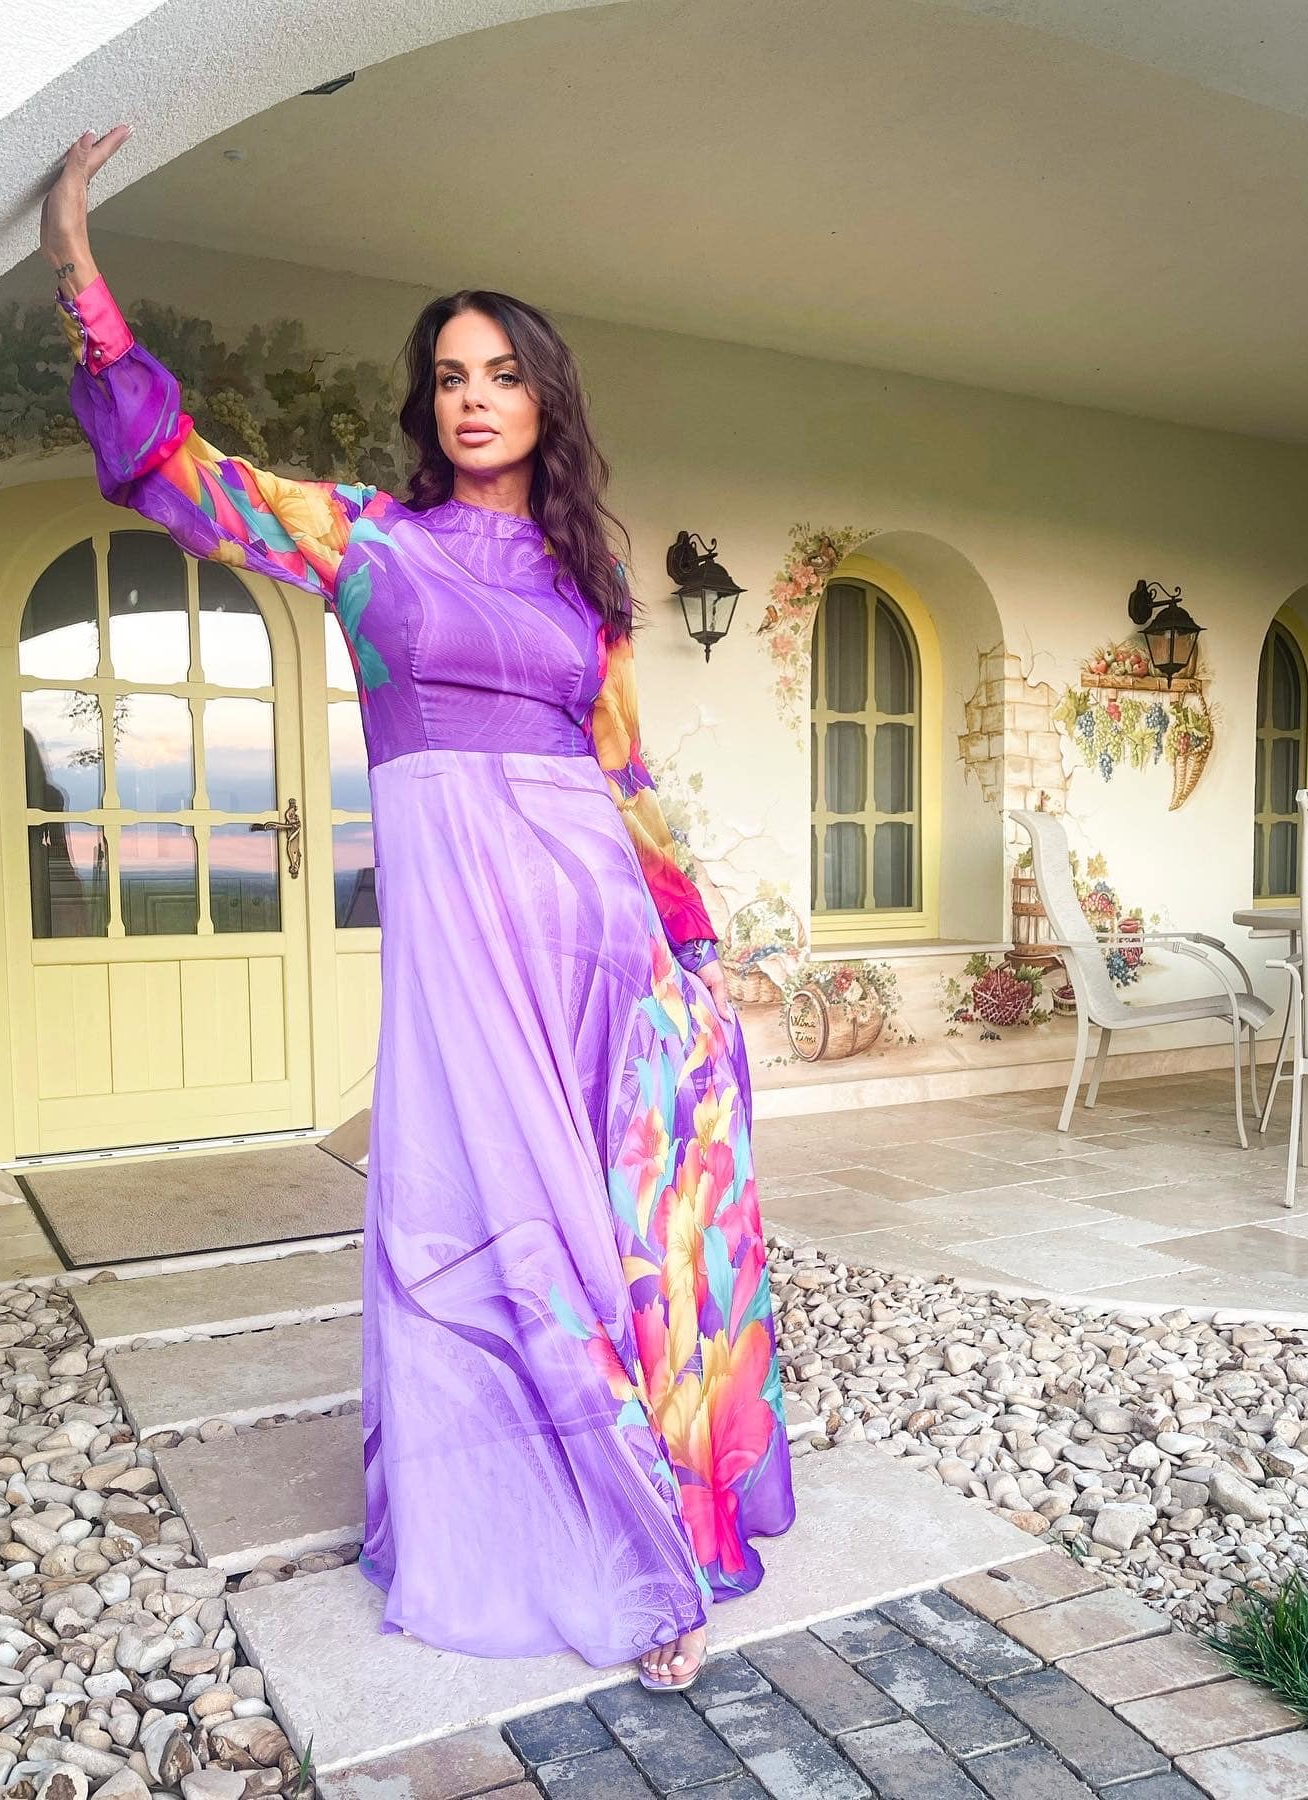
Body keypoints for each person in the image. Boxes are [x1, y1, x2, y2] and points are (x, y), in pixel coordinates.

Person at [41, 127, 795, 1688]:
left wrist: (696, 943)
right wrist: (80, 275)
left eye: (502, 374)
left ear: (544, 401)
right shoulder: (366, 542)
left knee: (620, 1221)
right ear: (427, 404)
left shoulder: (589, 588)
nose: (473, 397)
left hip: (595, 933)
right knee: (496, 1211)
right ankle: (584, 1544)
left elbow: (627, 776)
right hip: (465, 939)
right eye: (450, 375)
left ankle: (648, 1506)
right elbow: (186, 478)